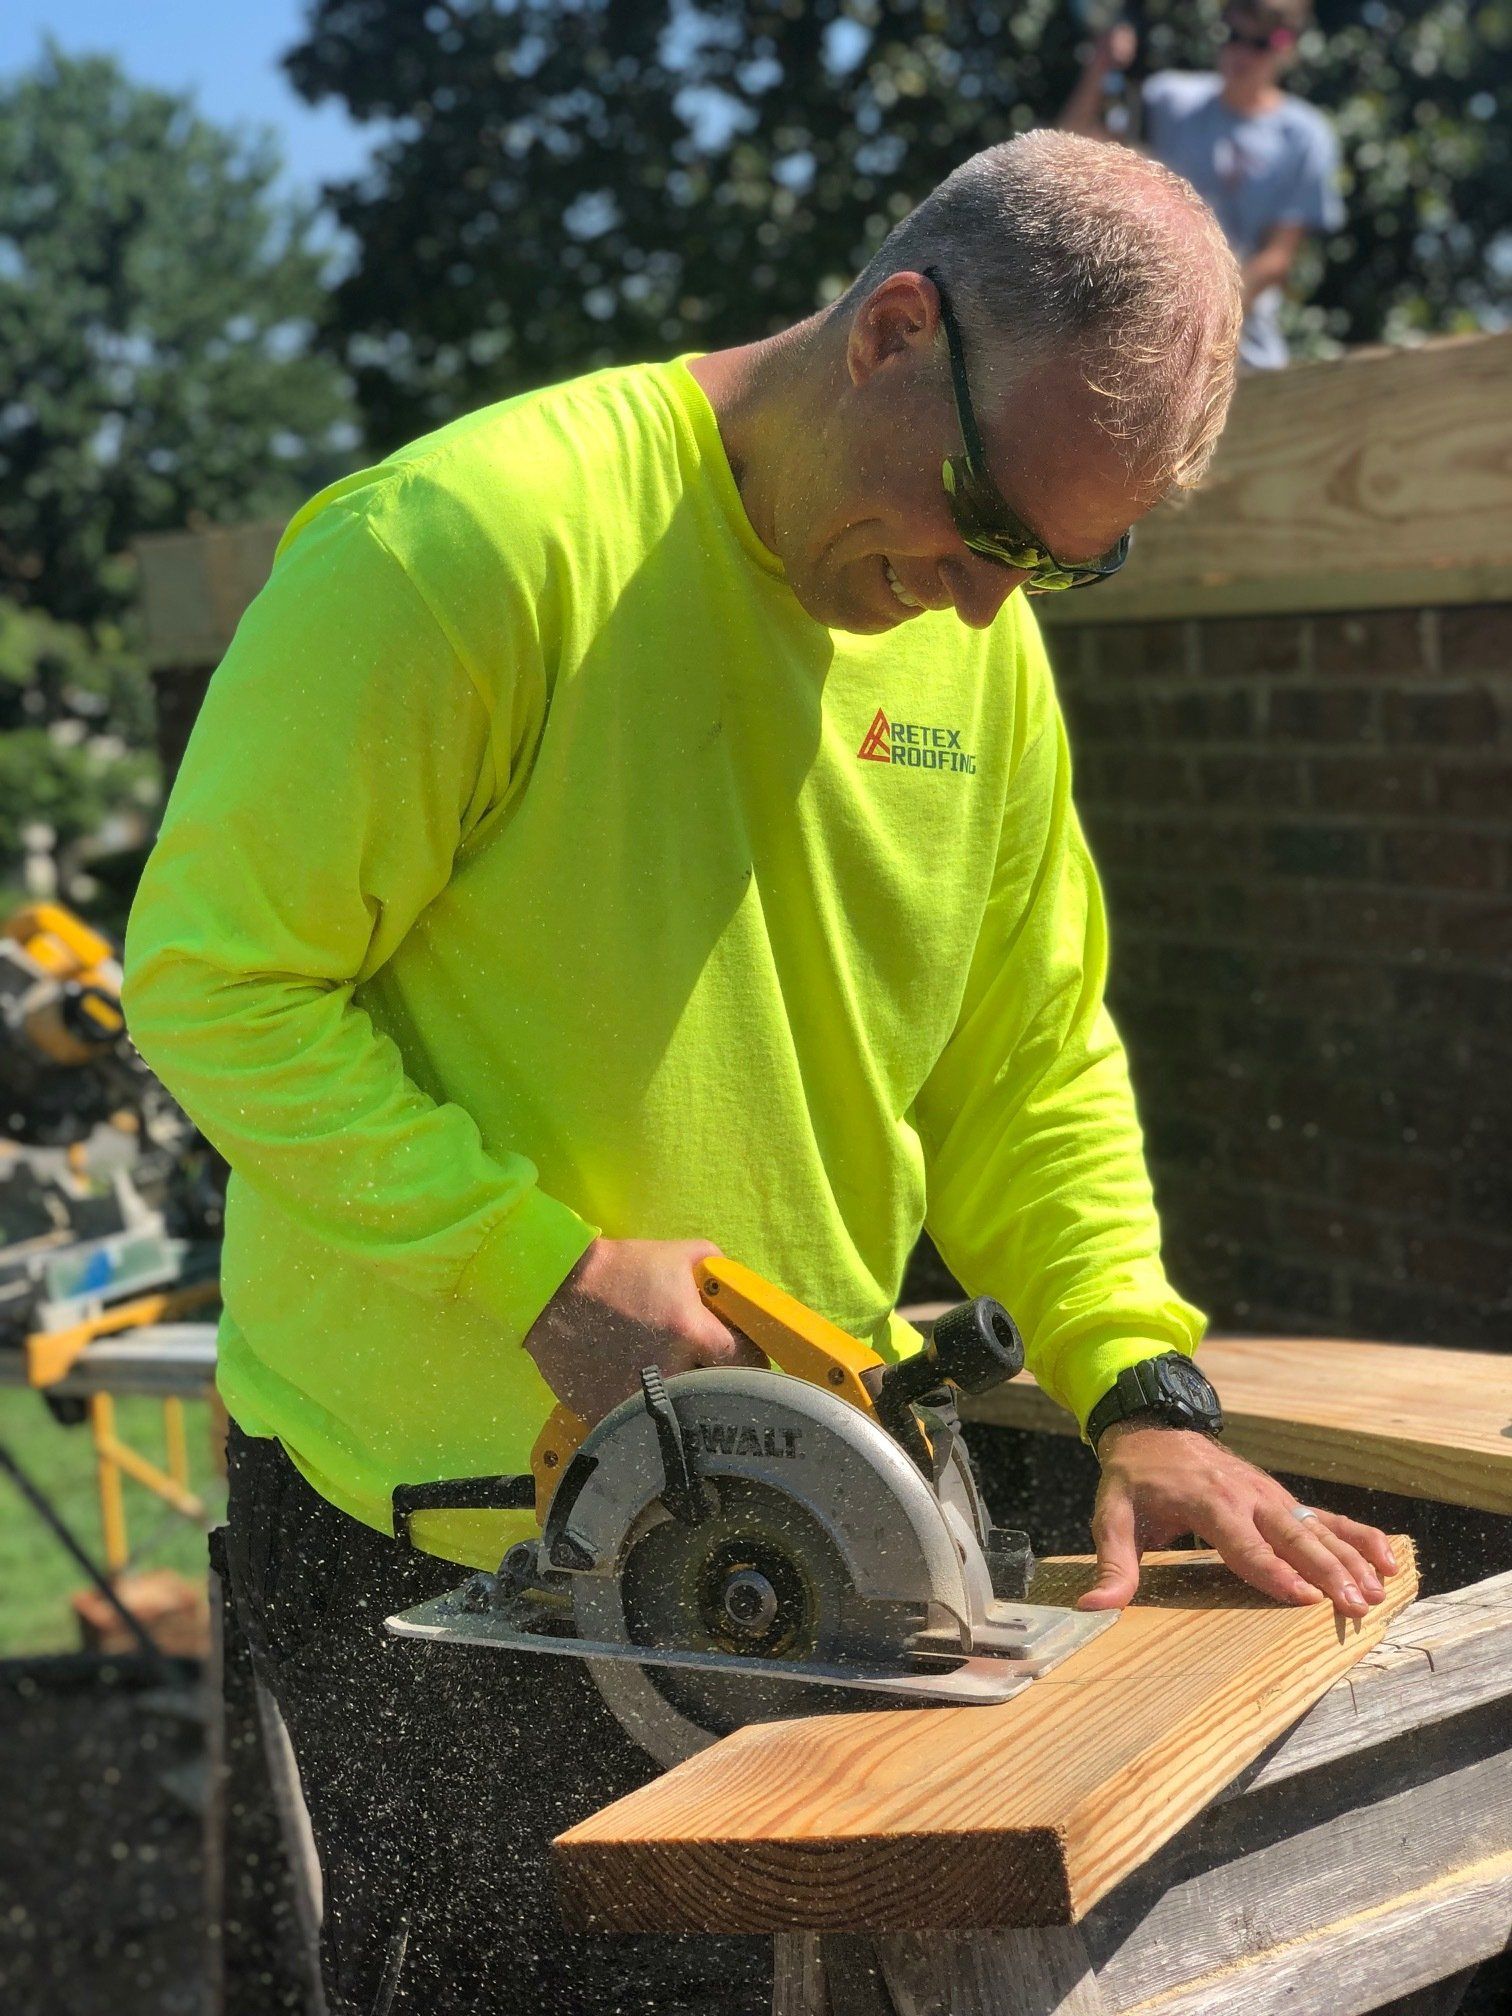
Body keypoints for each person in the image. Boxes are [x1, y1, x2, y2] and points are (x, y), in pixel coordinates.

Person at [121, 131, 1397, 2014]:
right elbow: (217, 986)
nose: (983, 604)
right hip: (445, 1535)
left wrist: (1140, 1377)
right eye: (983, 523)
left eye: (1057, 562)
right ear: (893, 328)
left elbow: (1026, 1056)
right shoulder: (469, 543)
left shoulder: (976, 642)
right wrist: (531, 1268)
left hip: (786, 1534)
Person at [1061, 1, 1344, 369]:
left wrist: (1198, 322)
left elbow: (1277, 260)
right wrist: (1100, 66)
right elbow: (1069, 154)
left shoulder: (1306, 136)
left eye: (1259, 44)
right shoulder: (1169, 99)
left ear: (1286, 47)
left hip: (1244, 358)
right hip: (1150, 349)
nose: (1240, 52)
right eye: (1233, 36)